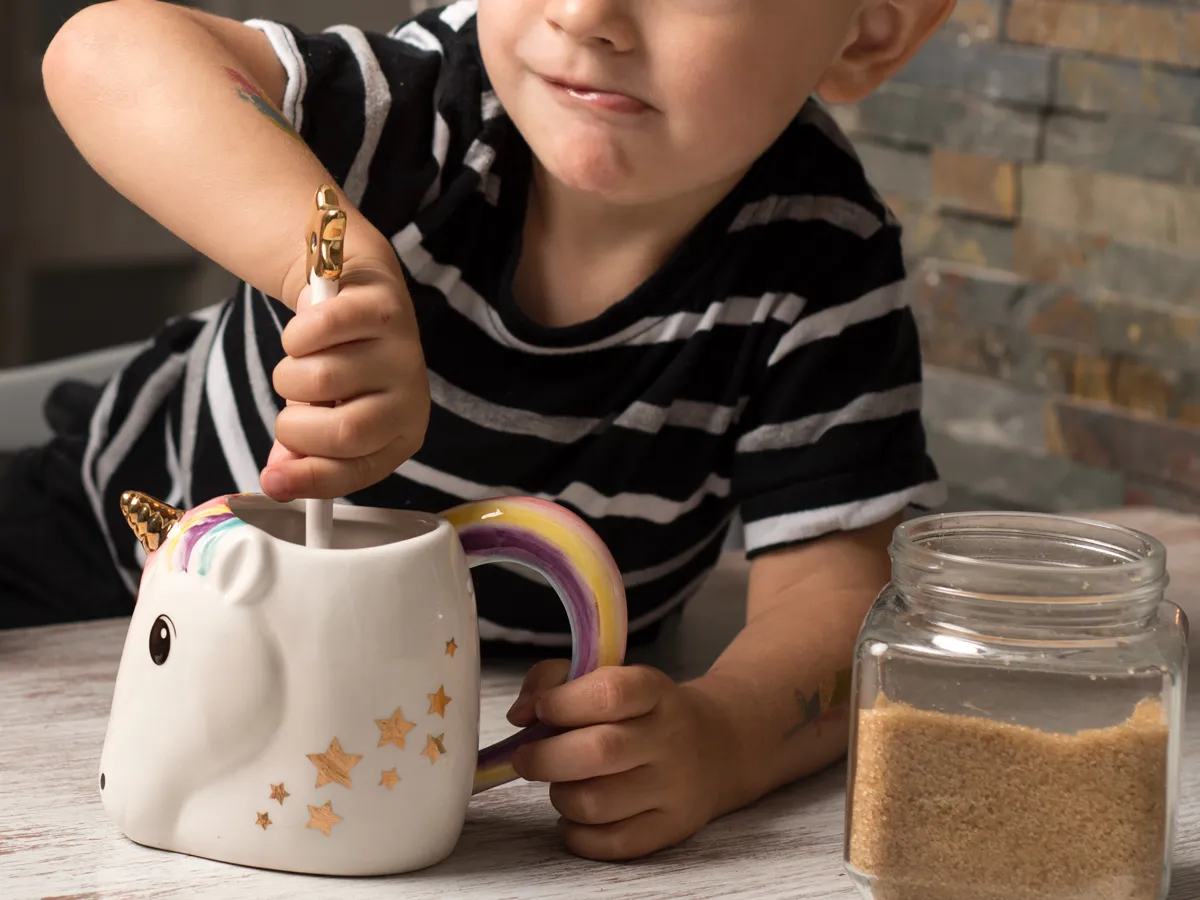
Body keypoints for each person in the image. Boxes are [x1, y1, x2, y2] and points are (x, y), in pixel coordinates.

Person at [14, 0, 952, 860]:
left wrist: (719, 740)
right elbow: (104, 48)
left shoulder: (824, 260)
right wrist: (330, 263)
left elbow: (840, 609)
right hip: (94, 550)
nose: (587, 15)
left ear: (871, 27)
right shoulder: (414, 108)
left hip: (432, 727)